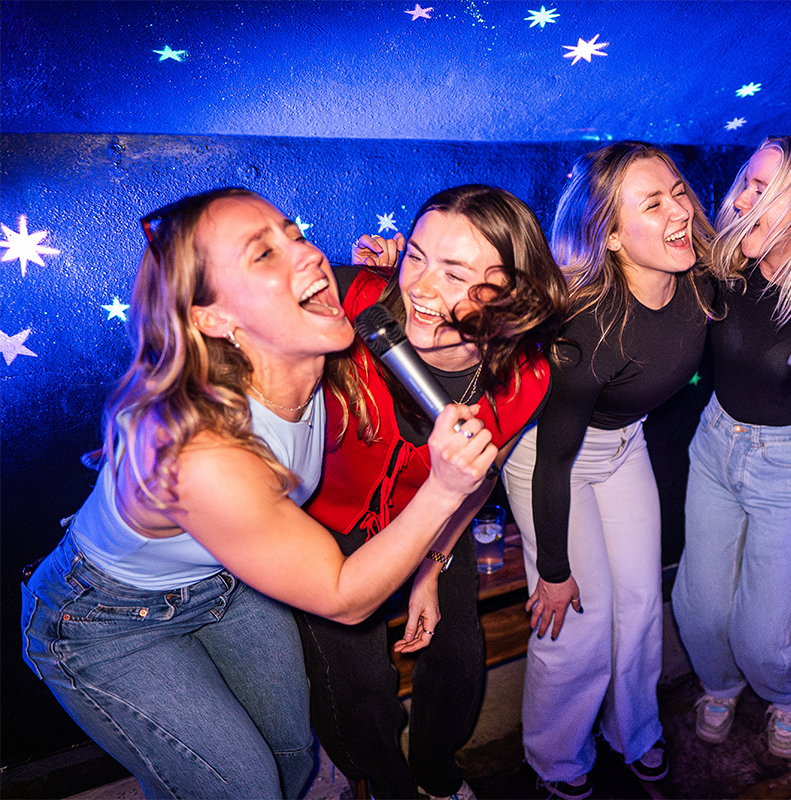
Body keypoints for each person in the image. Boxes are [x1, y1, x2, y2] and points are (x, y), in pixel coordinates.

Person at [19, 188, 496, 800]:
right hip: (106, 619)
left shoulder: (308, 354)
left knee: (292, 757)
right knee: (243, 787)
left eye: (294, 235)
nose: (309, 255)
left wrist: (406, 277)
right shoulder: (203, 453)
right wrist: (444, 489)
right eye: (263, 254)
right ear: (214, 319)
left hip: (230, 579)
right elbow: (343, 597)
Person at [297, 185, 568, 800]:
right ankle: (386, 785)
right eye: (416, 256)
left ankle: (438, 776)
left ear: (509, 291)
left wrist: (431, 568)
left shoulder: (524, 375)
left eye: (455, 273)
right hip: (325, 526)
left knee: (458, 655)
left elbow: (482, 474)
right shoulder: (355, 302)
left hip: (437, 516)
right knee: (359, 684)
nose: (420, 287)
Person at [501, 141, 715, 800]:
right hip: (550, 463)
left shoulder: (700, 279)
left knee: (643, 601)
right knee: (578, 621)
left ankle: (635, 732)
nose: (679, 210)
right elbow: (554, 459)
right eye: (653, 204)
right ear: (613, 237)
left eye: (678, 191)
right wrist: (554, 571)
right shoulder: (589, 325)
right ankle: (557, 758)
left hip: (625, 445)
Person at [670, 136, 791, 759]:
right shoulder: (725, 265)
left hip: (789, 465)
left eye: (762, 189)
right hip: (715, 445)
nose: (740, 199)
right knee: (697, 609)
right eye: (746, 182)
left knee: (759, 631)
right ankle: (720, 685)